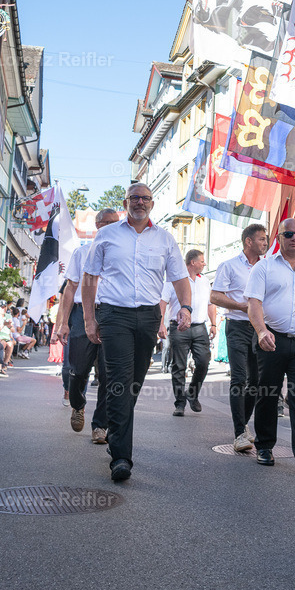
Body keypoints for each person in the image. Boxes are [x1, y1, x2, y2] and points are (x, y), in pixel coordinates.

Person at [82, 184, 191, 482]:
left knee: (133, 383)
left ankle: (115, 429)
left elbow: (180, 277)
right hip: (114, 315)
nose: (140, 202)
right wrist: (89, 319)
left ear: (152, 204)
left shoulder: (165, 239)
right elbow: (89, 278)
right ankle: (121, 457)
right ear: (126, 203)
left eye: (145, 198)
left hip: (147, 317)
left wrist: (186, 308)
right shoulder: (107, 235)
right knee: (118, 378)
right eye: (134, 198)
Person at [245, 219, 295, 469]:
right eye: (288, 234)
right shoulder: (264, 268)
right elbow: (254, 304)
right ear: (279, 238)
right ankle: (265, 446)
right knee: (268, 394)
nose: (294, 238)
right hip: (272, 340)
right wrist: (261, 332)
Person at [58, 208, 118, 443]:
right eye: (105, 223)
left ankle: (100, 426)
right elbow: (70, 289)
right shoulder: (82, 252)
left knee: (107, 374)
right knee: (78, 369)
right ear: (98, 226)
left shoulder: (121, 254)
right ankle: (78, 404)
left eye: (114, 223)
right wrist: (62, 323)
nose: (110, 227)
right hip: (82, 314)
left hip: (111, 315)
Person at [211, 223, 268, 452]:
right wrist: (242, 307)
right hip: (237, 326)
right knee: (239, 379)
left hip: (260, 328)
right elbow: (215, 296)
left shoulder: (267, 267)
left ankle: (244, 424)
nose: (265, 243)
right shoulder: (229, 266)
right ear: (249, 241)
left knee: (255, 381)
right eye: (262, 239)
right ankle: (238, 434)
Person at [160, 248, 216, 416]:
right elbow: (162, 303)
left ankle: (192, 393)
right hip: (179, 328)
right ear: (193, 262)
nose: (204, 263)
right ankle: (179, 403)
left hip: (200, 327)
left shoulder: (204, 281)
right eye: (202, 261)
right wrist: (161, 325)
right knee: (179, 366)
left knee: (204, 361)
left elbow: (210, 303)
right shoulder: (172, 280)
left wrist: (213, 324)